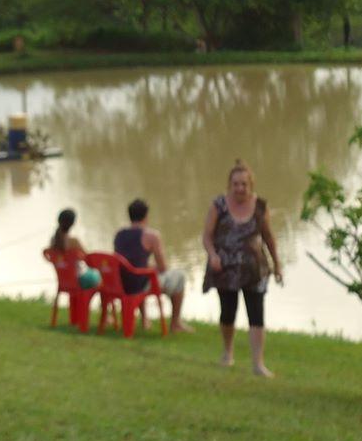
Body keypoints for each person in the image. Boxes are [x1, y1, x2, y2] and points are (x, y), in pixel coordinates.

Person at [202, 160, 283, 377]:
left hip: (254, 269)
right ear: (230, 184)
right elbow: (207, 236)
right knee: (228, 312)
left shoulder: (260, 206)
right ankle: (227, 353)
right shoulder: (218, 205)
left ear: (251, 185)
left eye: (244, 184)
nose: (240, 188)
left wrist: (277, 264)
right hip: (225, 268)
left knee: (256, 314)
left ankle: (258, 364)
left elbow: (268, 237)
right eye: (236, 184)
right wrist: (212, 255)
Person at [114, 199, 193, 334]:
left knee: (141, 273)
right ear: (146, 216)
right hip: (139, 283)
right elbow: (163, 268)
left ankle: (145, 320)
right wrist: (153, 268)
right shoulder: (151, 236)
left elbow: (126, 261)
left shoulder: (119, 235)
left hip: (123, 282)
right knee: (179, 277)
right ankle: (175, 323)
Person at [49, 208, 101, 290]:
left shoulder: (53, 240)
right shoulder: (74, 241)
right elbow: (88, 258)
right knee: (99, 275)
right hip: (79, 279)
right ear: (73, 223)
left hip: (63, 279)